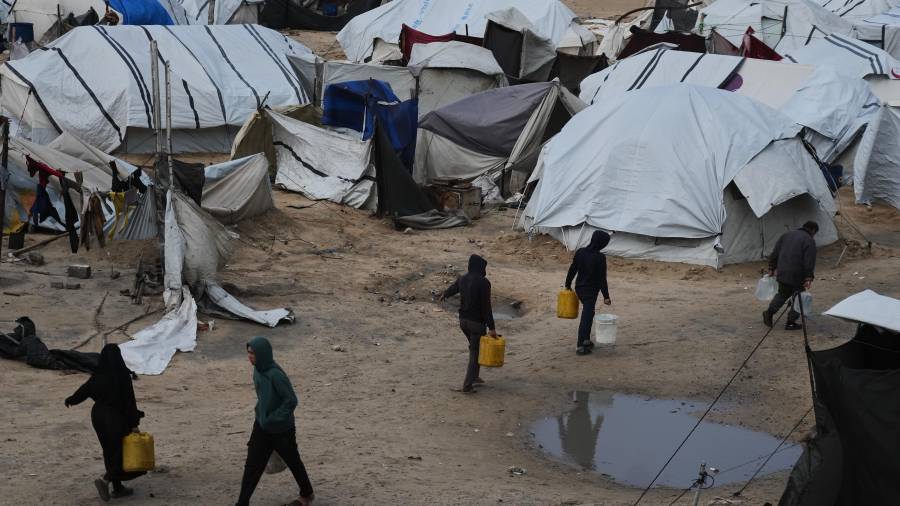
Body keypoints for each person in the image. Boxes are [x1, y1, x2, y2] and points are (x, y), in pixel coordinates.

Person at [236, 337, 315, 506]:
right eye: (248, 353)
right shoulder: (258, 370)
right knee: (252, 465)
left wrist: (274, 417)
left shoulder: (276, 375)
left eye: (253, 353)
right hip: (262, 426)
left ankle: (307, 494)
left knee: (293, 461)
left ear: (262, 354)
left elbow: (291, 400)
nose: (249, 357)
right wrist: (261, 412)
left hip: (281, 429)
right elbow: (264, 396)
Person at [65, 343, 145, 502]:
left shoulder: (98, 375)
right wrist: (134, 423)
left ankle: (118, 488)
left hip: (98, 416)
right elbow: (129, 402)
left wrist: (71, 400)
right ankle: (105, 480)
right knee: (120, 452)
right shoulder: (122, 376)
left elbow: (84, 391)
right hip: (116, 418)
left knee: (109, 451)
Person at [440, 254, 497, 393]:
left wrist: (444, 294)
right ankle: (467, 386)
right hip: (476, 324)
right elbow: (486, 307)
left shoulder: (463, 278)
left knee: (475, 348)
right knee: (475, 353)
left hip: (463, 322)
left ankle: (475, 377)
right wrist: (492, 328)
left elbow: (454, 288)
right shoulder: (484, 283)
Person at [763, 221, 818, 331]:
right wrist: (808, 277)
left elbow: (775, 252)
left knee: (783, 293)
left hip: (782, 272)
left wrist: (771, 268)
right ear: (813, 230)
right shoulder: (809, 240)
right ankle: (791, 322)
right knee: (800, 298)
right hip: (797, 274)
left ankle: (769, 312)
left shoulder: (786, 235)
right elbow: (809, 261)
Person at [565, 231, 612, 355]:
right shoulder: (600, 257)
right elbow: (602, 278)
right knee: (586, 317)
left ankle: (586, 340)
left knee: (590, 313)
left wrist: (567, 284)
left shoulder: (581, 252)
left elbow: (573, 268)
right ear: (601, 243)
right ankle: (580, 346)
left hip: (579, 288)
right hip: (591, 292)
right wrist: (606, 296)